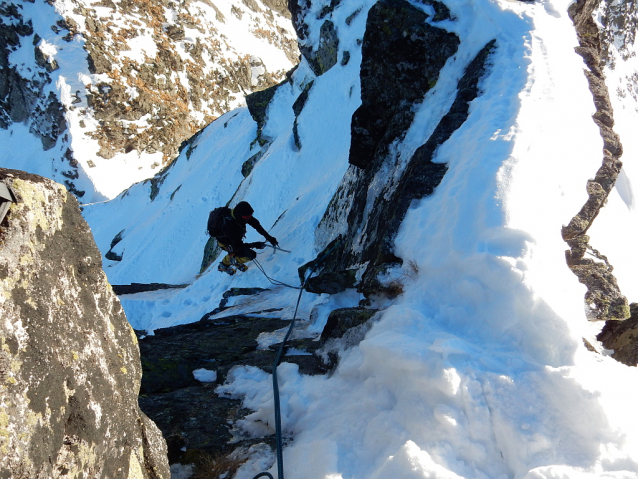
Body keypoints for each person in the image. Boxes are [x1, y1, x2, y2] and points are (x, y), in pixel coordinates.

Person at [214, 201, 278, 275]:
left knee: (242, 251)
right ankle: (227, 263)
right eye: (247, 217)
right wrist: (255, 245)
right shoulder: (230, 227)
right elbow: (237, 246)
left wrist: (269, 237)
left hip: (234, 240)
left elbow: (257, 225)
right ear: (240, 216)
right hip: (226, 243)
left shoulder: (241, 216)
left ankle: (233, 259)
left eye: (250, 216)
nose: (249, 218)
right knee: (250, 255)